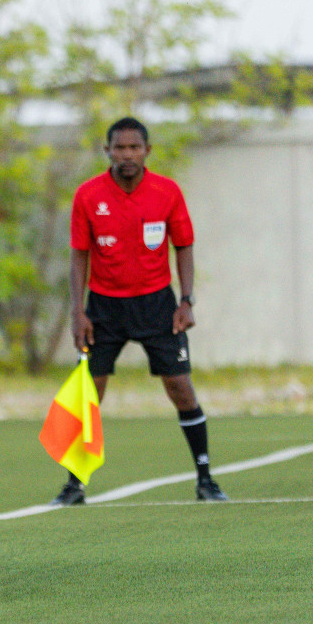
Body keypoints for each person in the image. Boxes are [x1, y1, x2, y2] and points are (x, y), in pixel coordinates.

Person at [54, 116, 227, 505]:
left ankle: (206, 478)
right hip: (103, 308)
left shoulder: (166, 192)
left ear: (147, 151)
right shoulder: (87, 195)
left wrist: (187, 300)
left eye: (135, 147)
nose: (127, 154)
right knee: (88, 395)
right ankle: (73, 486)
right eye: (119, 147)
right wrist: (76, 312)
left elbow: (183, 246)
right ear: (107, 151)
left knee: (180, 389)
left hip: (157, 305)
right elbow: (79, 256)